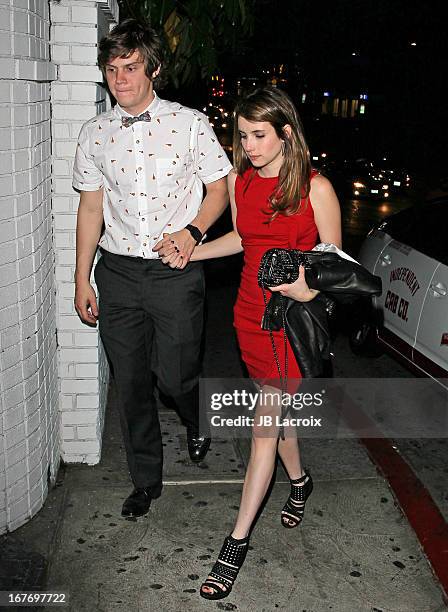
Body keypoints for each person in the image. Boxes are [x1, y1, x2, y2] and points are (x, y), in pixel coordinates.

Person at [73, 19, 232, 519]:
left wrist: (192, 233)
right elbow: (91, 209)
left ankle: (196, 417)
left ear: (154, 69)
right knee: (133, 382)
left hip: (175, 270)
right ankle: (146, 480)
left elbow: (218, 189)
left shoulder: (190, 124)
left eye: (131, 67)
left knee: (177, 376)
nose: (120, 78)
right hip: (117, 272)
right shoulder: (95, 133)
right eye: (112, 68)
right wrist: (82, 276)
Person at [188, 87, 342, 599]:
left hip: (290, 324)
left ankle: (234, 545)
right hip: (248, 318)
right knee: (277, 420)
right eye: (243, 135)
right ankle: (300, 483)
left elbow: (335, 266)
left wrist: (305, 286)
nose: (247, 145)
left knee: (263, 427)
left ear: (286, 134)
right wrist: (195, 253)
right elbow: (244, 239)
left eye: (258, 136)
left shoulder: (316, 189)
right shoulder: (241, 182)